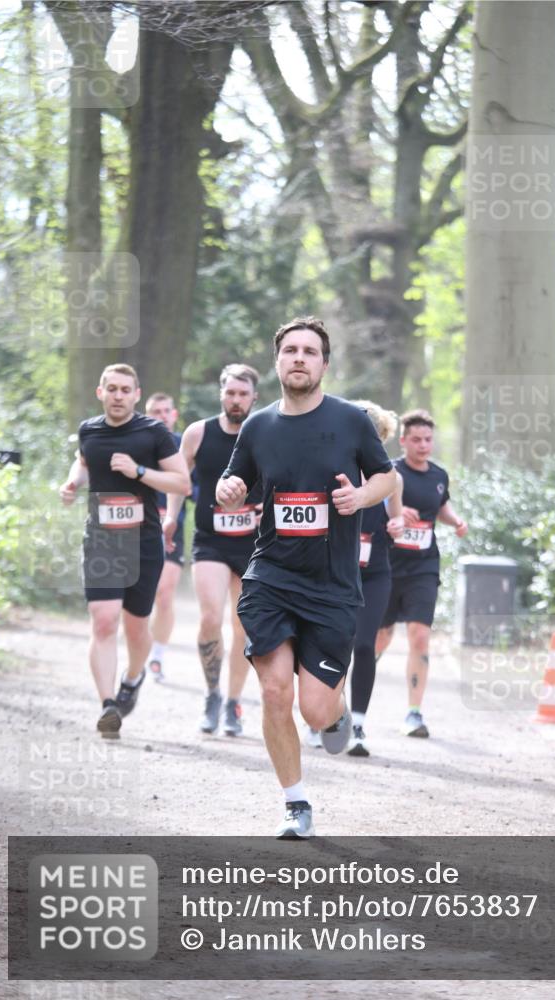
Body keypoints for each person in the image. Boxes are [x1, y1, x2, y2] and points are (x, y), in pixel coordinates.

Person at [217, 317, 395, 839]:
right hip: (271, 575)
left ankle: (335, 716)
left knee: (315, 711)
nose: (299, 358)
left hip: (332, 585)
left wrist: (362, 496)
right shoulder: (259, 425)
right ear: (277, 361)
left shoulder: (351, 421)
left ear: (324, 363)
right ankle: (295, 803)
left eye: (310, 351)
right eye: (290, 350)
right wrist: (230, 488)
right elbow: (237, 476)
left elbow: (387, 476)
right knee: (275, 692)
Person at [59, 364, 190, 737]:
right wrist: (72, 483)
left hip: (143, 542)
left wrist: (139, 472)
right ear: (100, 393)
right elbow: (84, 462)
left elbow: (181, 482)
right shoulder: (89, 430)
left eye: (125, 390)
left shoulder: (154, 433)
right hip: (101, 539)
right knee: (103, 620)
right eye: (111, 389)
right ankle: (108, 705)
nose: (117, 396)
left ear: (136, 394)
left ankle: (132, 678)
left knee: (136, 628)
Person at [163, 364, 260, 737]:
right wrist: (172, 516)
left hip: (253, 543)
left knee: (243, 626)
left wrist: (267, 507)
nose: (236, 400)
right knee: (209, 618)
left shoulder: (264, 432)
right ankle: (212, 694)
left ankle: (235, 702)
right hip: (210, 538)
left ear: (254, 397)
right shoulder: (198, 433)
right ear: (221, 394)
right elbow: (177, 480)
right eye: (230, 393)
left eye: (243, 394)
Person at [376, 409, 468, 738]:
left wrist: (456, 520)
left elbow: (441, 505)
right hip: (387, 563)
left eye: (428, 439)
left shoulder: (439, 475)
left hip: (423, 567)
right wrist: (398, 510)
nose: (423, 445)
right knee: (380, 637)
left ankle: (414, 712)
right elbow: (376, 505)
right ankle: (356, 689)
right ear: (402, 441)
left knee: (420, 636)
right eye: (416, 439)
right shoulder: (389, 473)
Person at [345, 400, 404, 757]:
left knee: (365, 645)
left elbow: (396, 522)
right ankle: (324, 716)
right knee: (333, 643)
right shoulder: (333, 468)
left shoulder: (392, 477)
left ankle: (358, 723)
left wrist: (397, 524)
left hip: (376, 572)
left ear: (380, 435)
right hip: (335, 573)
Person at [144, 392, 187, 682]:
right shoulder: (139, 444)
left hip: (173, 528)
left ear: (174, 414)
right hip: (141, 525)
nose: (161, 415)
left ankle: (157, 655)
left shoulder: (186, 444)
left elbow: (195, 487)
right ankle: (140, 644)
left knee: (164, 592)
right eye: (155, 411)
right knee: (140, 594)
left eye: (166, 410)